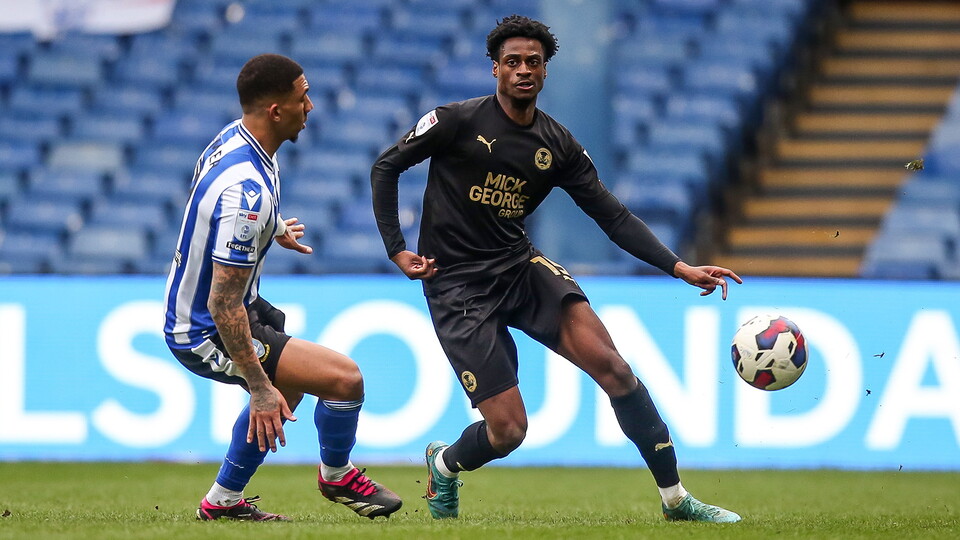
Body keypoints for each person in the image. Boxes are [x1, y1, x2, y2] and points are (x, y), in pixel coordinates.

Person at [371, 16, 742, 523]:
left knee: (616, 370)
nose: (523, 70)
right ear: (495, 70)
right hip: (456, 285)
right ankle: (446, 463)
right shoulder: (455, 121)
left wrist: (678, 266)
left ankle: (676, 500)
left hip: (520, 268)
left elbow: (611, 215)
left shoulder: (558, 145)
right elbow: (385, 167)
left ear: (545, 73)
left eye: (533, 63)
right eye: (513, 63)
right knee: (509, 432)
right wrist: (397, 250)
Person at [163, 54, 402, 522]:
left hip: (232, 307)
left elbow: (211, 211)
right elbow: (222, 299)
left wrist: (268, 228)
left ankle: (223, 502)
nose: (310, 106)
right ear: (276, 110)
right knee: (343, 380)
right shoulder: (246, 190)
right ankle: (336, 476)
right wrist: (257, 387)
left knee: (289, 384)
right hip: (205, 328)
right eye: (302, 97)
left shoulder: (237, 140)